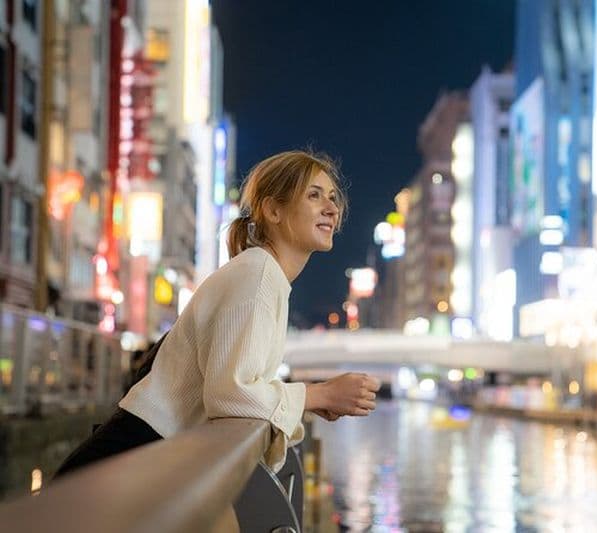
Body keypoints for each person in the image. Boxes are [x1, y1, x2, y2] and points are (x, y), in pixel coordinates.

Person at [55, 150, 381, 478]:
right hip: (132, 453)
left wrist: (311, 399)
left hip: (141, 449)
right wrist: (320, 393)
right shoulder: (258, 274)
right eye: (314, 195)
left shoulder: (264, 274)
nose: (332, 208)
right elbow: (228, 394)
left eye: (333, 197)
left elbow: (236, 385)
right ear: (273, 210)